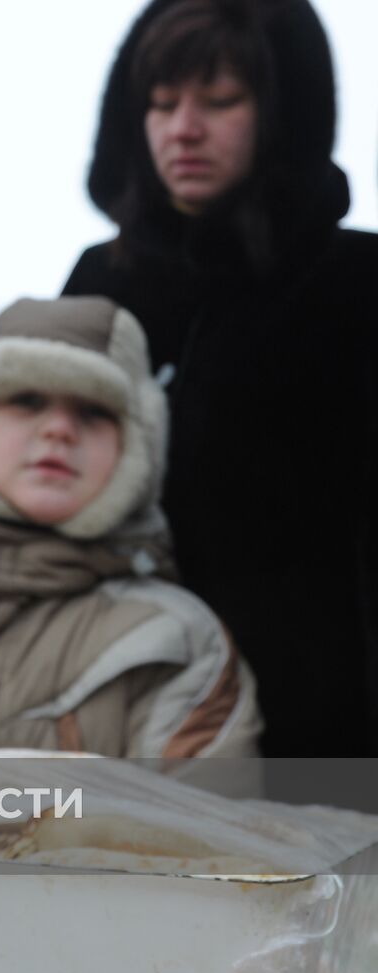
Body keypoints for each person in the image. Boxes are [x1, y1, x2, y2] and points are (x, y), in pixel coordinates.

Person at [61, 0, 378, 756]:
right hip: (126, 705)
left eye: (220, 100)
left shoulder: (358, 284)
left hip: (324, 727)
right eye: (162, 104)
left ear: (283, 111)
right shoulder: (100, 284)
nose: (184, 128)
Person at [0, 296, 261, 758]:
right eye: (27, 399)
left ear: (136, 447)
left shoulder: (180, 642)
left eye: (94, 410)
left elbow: (203, 828)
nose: (59, 429)